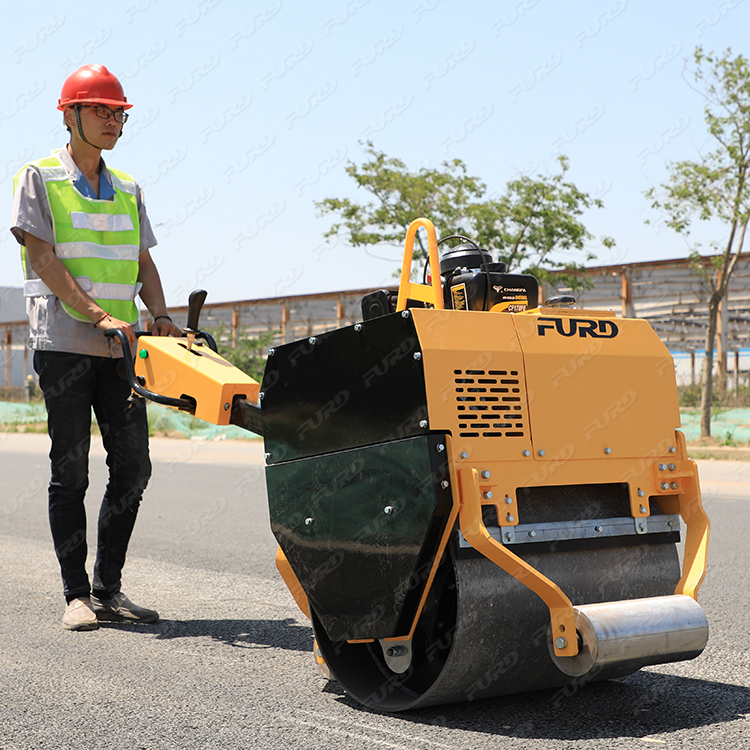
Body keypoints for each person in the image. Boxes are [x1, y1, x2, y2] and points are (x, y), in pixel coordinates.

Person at [10, 64, 182, 631]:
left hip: (122, 347)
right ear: (70, 113)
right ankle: (75, 594)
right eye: (101, 110)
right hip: (63, 344)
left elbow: (142, 261)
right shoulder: (38, 176)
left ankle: (109, 588)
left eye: (119, 113)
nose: (112, 120)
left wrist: (159, 316)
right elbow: (43, 259)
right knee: (71, 469)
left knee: (134, 467)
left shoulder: (129, 187)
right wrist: (98, 314)